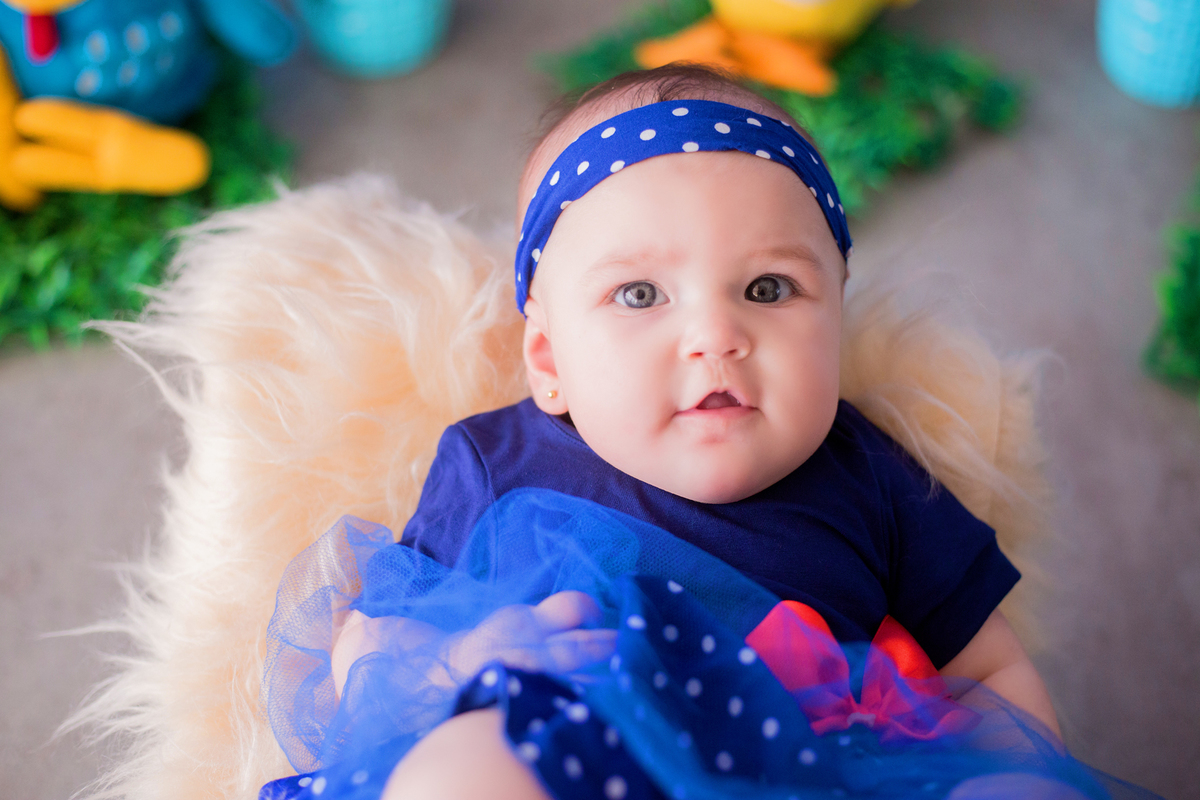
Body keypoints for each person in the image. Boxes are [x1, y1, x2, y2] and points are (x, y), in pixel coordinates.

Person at [260, 65, 1151, 800]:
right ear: (550, 361)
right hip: (575, 752)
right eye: (640, 295)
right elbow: (366, 641)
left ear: (835, 326)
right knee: (462, 770)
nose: (715, 335)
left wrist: (1012, 773)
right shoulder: (498, 459)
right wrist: (458, 661)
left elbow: (990, 671)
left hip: (815, 774)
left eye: (767, 289)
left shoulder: (875, 476)